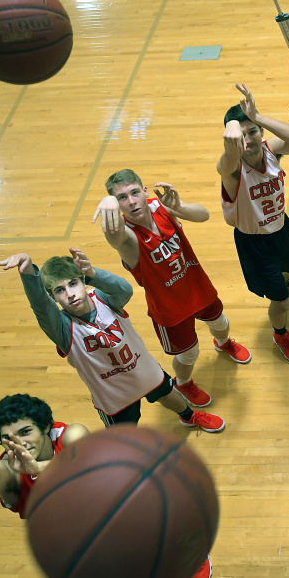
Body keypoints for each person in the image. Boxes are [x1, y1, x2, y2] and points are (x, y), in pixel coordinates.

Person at [0, 393, 214, 578]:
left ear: (45, 426)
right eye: (8, 438)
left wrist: (38, 469)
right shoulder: (11, 470)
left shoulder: (71, 434)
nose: (20, 443)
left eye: (26, 432)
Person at [0, 250, 224, 432]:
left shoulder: (103, 299)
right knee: (123, 437)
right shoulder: (61, 328)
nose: (69, 293)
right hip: (113, 394)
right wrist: (29, 274)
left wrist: (93, 272)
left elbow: (125, 290)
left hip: (143, 370)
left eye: (73, 284)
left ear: (83, 282)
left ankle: (189, 416)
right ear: (53, 298)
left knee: (167, 393)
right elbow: (41, 307)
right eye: (59, 290)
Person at [92, 170, 252, 408]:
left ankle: (223, 343)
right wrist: (108, 204)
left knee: (221, 323)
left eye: (134, 192)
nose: (131, 201)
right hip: (169, 308)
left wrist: (178, 207)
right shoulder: (127, 237)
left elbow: (204, 215)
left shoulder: (160, 206)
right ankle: (183, 383)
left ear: (145, 191)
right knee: (190, 353)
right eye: (122, 198)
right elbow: (114, 237)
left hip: (197, 288)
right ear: (117, 205)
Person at [219, 83, 289, 365]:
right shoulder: (232, 169)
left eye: (253, 132)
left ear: (261, 132)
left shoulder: (270, 149)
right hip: (254, 241)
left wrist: (257, 116)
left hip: (281, 227)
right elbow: (225, 164)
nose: (248, 140)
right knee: (280, 302)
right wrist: (232, 135)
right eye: (241, 135)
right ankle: (280, 335)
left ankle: (287, 285)